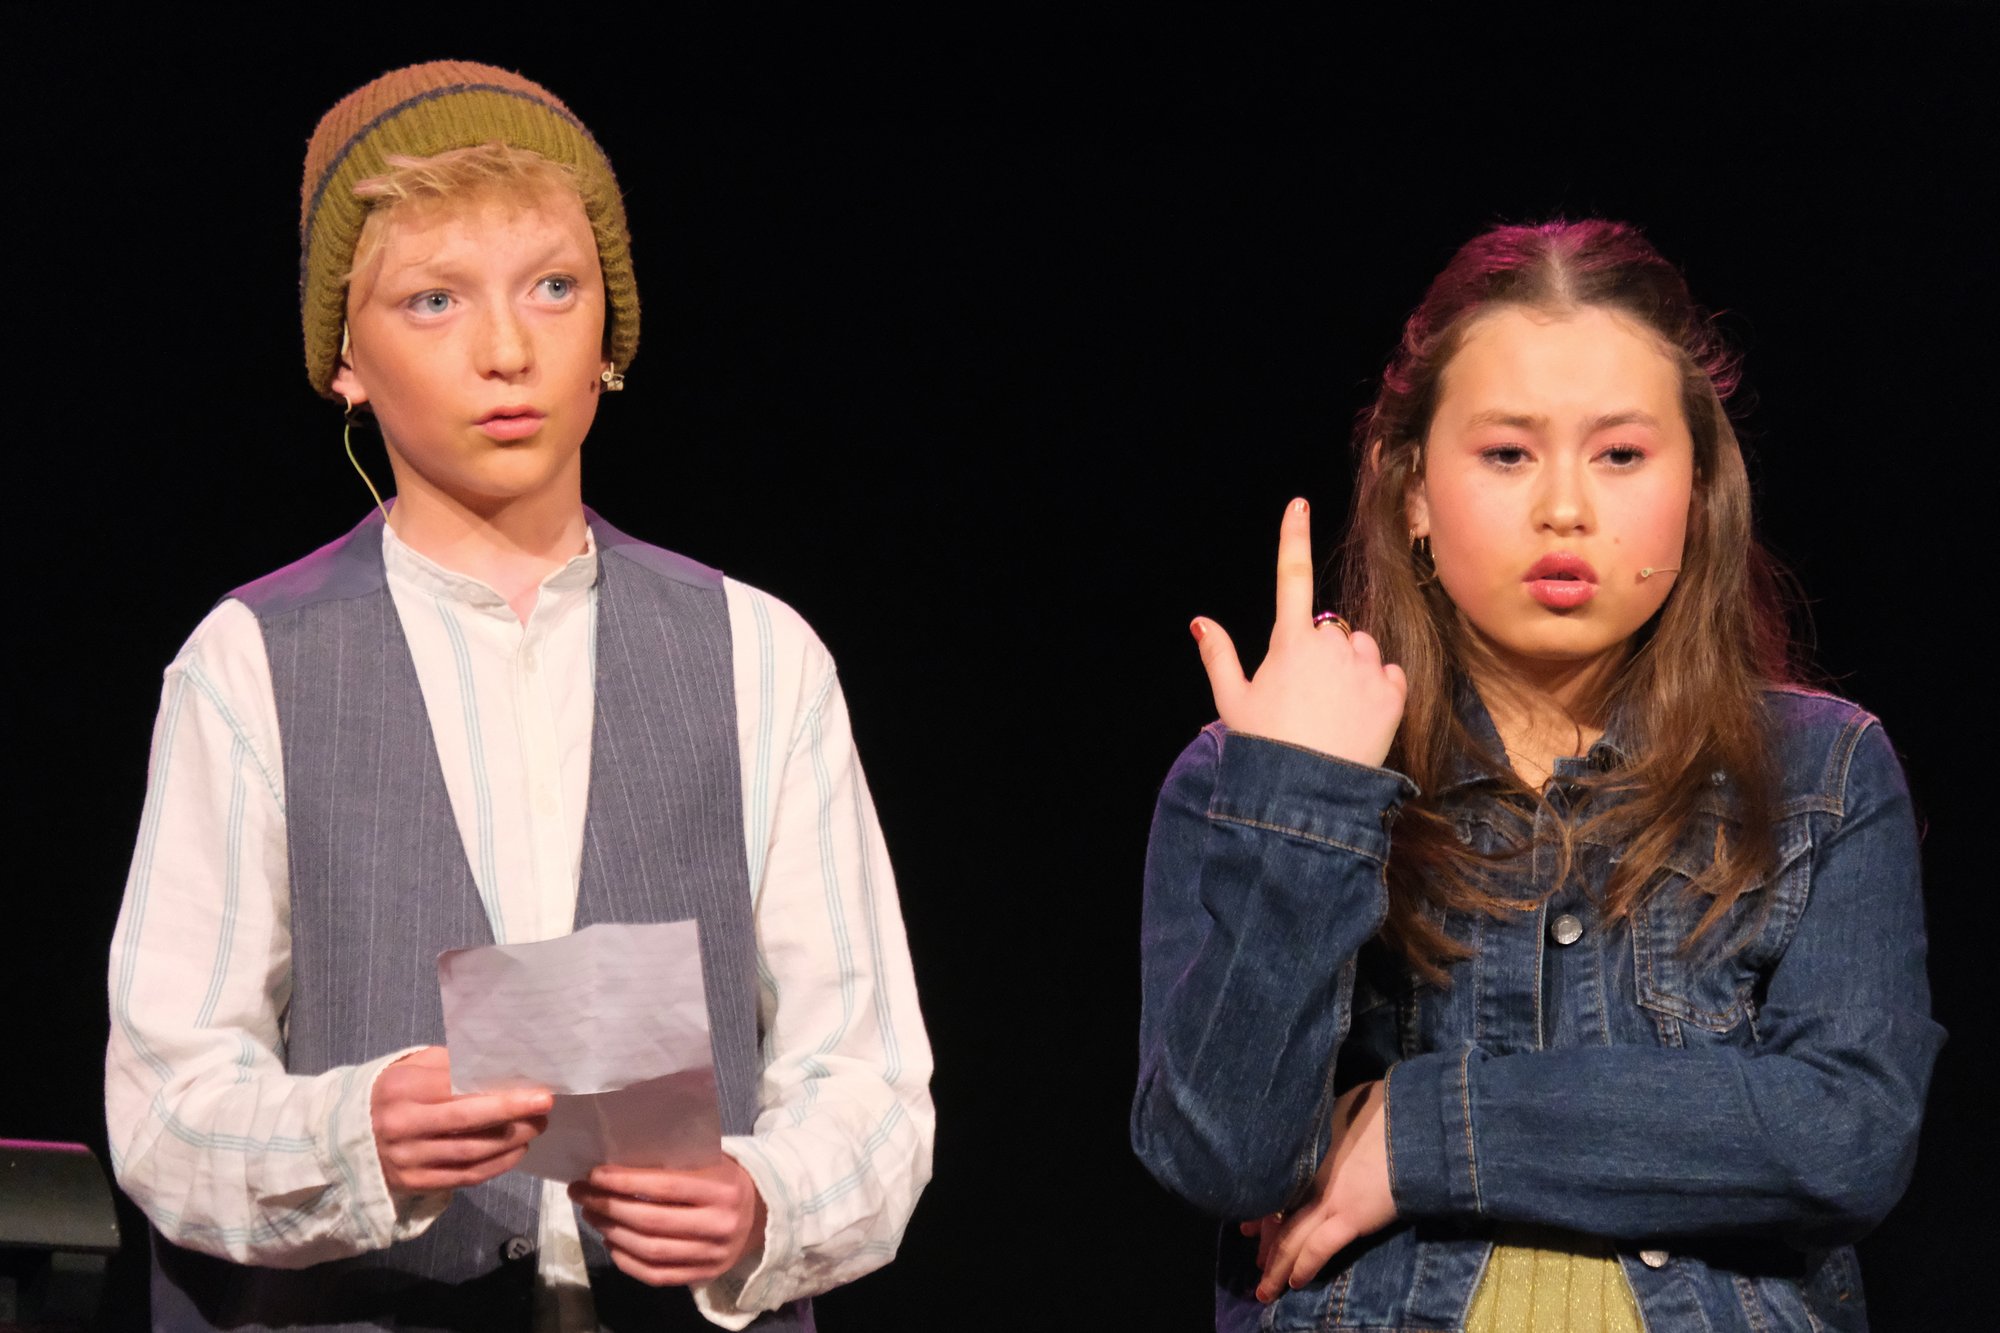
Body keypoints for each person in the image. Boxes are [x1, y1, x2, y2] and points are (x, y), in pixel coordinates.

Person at [105, 60, 932, 1332]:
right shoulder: (252, 662)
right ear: (345, 360)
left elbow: (868, 1080)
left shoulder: (757, 655)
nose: (506, 351)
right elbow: (166, 1104)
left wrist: (761, 1200)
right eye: (434, 300)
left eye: (553, 287)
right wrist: (355, 1136)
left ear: (610, 333)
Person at [1130, 220, 1938, 1332]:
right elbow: (1223, 1158)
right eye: (1507, 454)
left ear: (1698, 490)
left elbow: (1843, 1136)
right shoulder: (1248, 774)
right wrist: (1305, 799)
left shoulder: (1818, 771)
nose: (1565, 507)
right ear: (1412, 491)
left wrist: (1425, 1134)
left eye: (1620, 456)